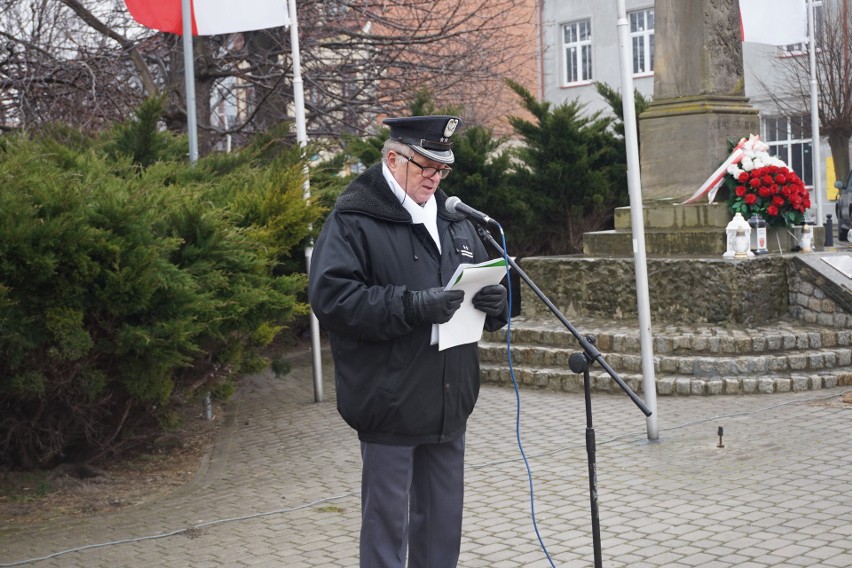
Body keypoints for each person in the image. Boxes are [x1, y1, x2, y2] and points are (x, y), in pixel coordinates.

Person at [308, 115, 508, 568]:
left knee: (441, 531)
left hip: (449, 399)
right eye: (425, 167)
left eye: (443, 171)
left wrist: (497, 303)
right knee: (387, 530)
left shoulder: (456, 219)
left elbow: (479, 282)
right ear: (393, 158)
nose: (435, 179)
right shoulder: (354, 217)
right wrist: (412, 306)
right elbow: (333, 298)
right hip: (390, 400)